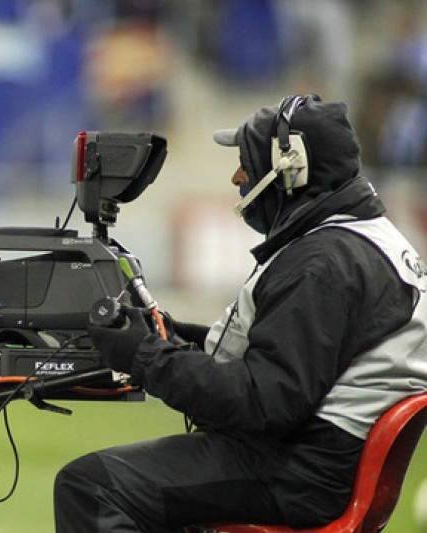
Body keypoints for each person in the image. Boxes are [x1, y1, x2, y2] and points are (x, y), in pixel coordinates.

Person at [54, 95, 427, 532]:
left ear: (292, 169)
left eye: (246, 164)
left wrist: (144, 357)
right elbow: (284, 363)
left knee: (91, 486)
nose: (237, 177)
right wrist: (172, 337)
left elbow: (263, 403)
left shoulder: (322, 263)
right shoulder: (358, 242)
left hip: (300, 471)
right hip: (321, 460)